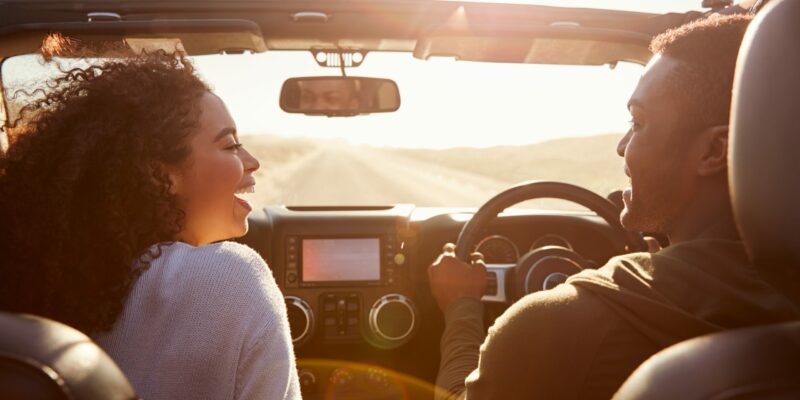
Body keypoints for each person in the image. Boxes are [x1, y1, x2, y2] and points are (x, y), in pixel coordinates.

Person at [428, 15, 800, 400]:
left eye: (638, 122)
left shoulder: (558, 327)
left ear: (714, 150)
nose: (622, 145)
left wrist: (461, 306)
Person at [0, 43, 301, 399]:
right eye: (230, 145)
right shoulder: (231, 278)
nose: (251, 162)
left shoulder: (48, 281)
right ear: (162, 173)